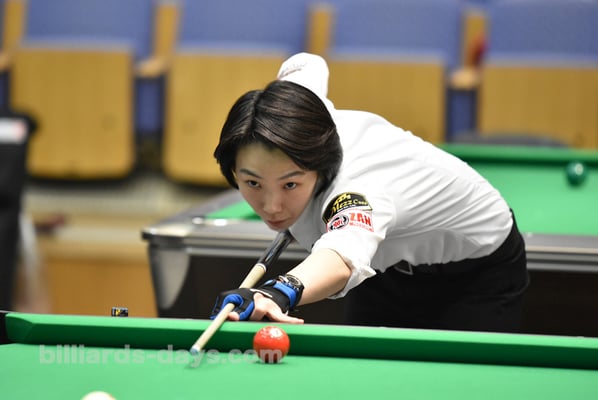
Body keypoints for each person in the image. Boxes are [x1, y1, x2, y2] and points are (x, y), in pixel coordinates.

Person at [210, 53, 529, 333]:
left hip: (475, 273)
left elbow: (342, 255)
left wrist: (276, 293)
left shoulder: (358, 186)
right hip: (385, 270)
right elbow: (307, 65)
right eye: (253, 183)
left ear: (319, 165)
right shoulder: (296, 109)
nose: (271, 206)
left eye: (290, 184)